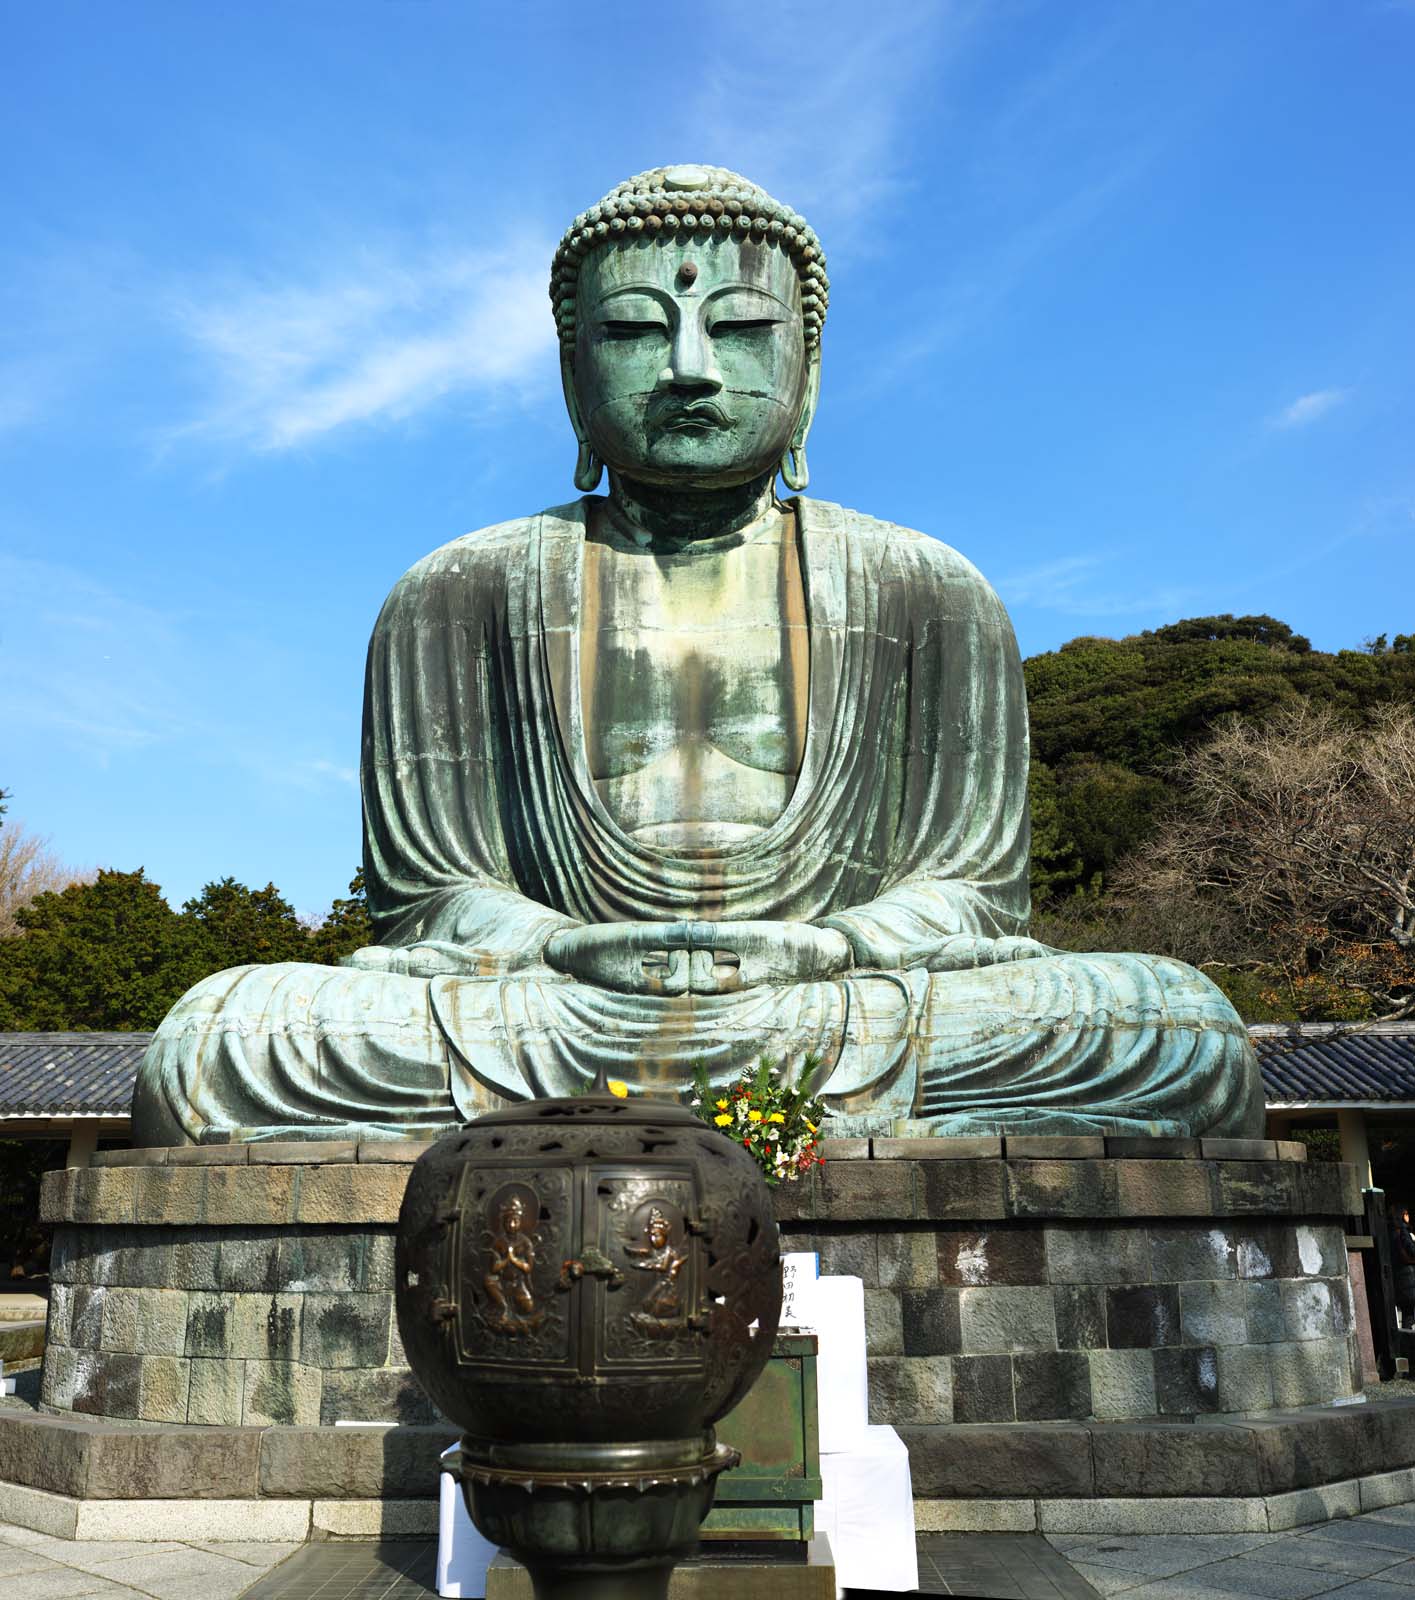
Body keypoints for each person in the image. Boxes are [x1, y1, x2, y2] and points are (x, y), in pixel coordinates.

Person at [131, 165, 1264, 1147]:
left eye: (736, 328)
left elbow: (969, 897)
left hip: (839, 1006)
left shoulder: (930, 591)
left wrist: (820, 952)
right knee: (221, 1041)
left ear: (807, 367)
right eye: (631, 331)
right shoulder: (455, 593)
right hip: (558, 1010)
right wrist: (569, 948)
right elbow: (431, 898)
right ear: (572, 375)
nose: (684, 365)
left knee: (1171, 1029)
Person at [1393, 1206, 1415, 1332]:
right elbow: (1411, 1250)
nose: (1408, 1216)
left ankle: (1406, 1343)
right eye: (1406, 1214)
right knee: (1408, 1311)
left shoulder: (1394, 1231)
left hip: (1402, 1278)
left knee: (1407, 1313)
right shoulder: (1404, 1231)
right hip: (1408, 1276)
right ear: (1402, 1215)